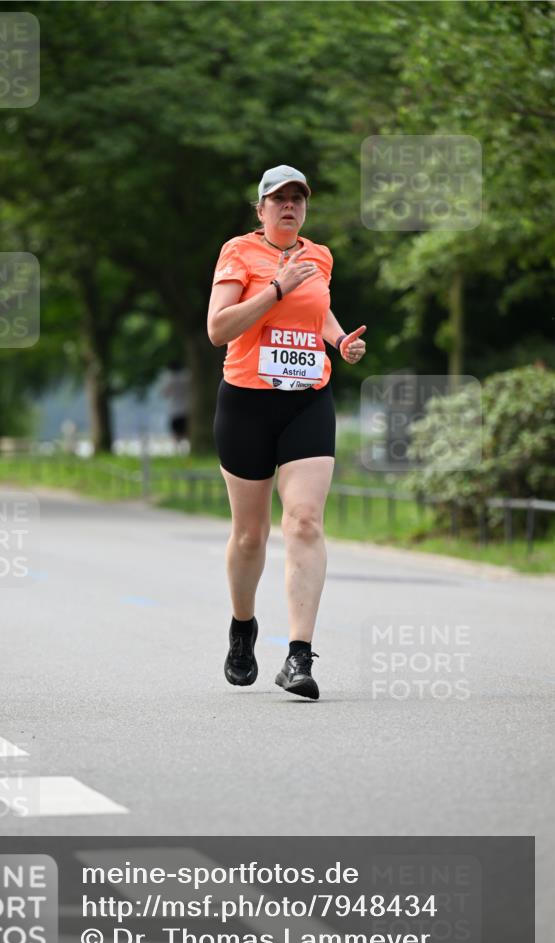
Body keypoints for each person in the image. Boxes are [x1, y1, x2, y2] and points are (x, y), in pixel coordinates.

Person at [207, 165, 367, 700]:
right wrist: (276, 287)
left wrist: (340, 341)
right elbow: (217, 328)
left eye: (298, 199)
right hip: (247, 403)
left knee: (302, 522)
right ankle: (242, 626)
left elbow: (316, 313)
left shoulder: (318, 256)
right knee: (251, 535)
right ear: (261, 209)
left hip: (307, 401)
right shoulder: (238, 253)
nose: (289, 207)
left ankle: (299, 656)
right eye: (279, 199)